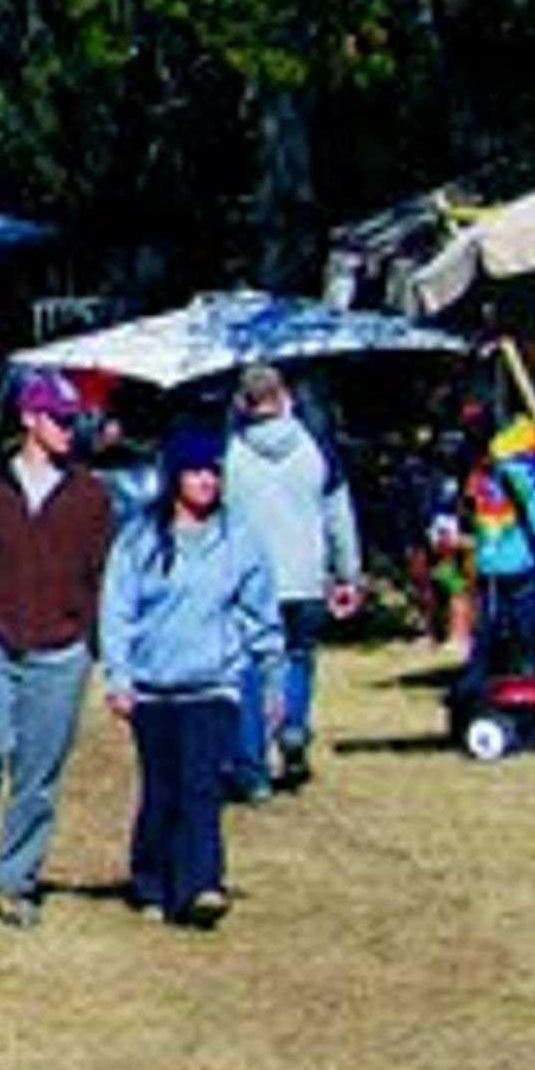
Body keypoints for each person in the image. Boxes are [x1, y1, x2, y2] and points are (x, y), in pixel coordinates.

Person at [0, 369, 118, 929]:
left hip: (61, 651)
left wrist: (89, 638)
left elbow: (104, 575)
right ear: (28, 420)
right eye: (59, 420)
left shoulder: (90, 495)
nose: (70, 430)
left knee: (38, 775)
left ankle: (16, 880)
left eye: (75, 421)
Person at [97, 426, 280, 932]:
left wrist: (270, 678)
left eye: (213, 473)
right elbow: (118, 610)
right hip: (153, 687)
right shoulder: (139, 538)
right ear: (174, 476)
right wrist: (119, 676)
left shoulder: (239, 538)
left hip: (213, 684)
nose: (206, 482)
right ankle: (151, 879)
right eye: (196, 472)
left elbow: (260, 612)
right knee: (162, 790)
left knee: (202, 786)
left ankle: (202, 885)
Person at [222, 363, 363, 796]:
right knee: (298, 657)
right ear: (285, 397)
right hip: (304, 575)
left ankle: (252, 767)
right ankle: (294, 727)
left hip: (249, 579)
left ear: (243, 402)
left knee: (248, 670)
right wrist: (348, 574)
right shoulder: (315, 447)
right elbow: (339, 515)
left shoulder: (231, 452)